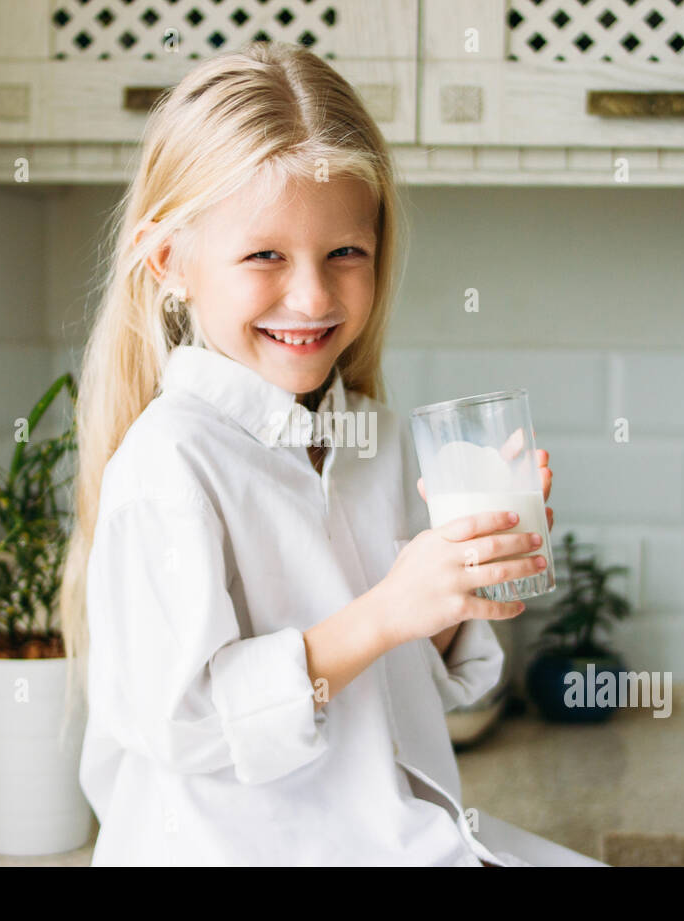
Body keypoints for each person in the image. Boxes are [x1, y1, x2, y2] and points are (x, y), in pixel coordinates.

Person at [59, 40, 605, 867]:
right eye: (265, 255)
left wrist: (457, 590)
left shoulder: (371, 440)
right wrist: (387, 609)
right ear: (171, 261)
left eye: (345, 252)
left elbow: (414, 693)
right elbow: (188, 723)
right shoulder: (169, 462)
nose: (312, 295)